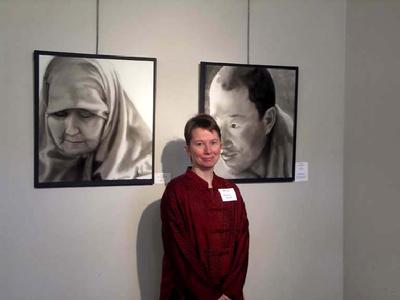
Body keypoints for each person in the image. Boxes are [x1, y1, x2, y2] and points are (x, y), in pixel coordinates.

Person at [159, 114, 249, 300]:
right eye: (200, 144)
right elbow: (179, 252)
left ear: (220, 146)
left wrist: (230, 290)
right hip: (189, 293)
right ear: (188, 149)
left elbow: (242, 244)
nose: (208, 150)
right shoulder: (176, 192)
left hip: (229, 294)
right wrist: (211, 295)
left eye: (213, 142)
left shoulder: (231, 190)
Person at [38, 56, 152, 182]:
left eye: (86, 114)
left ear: (112, 113)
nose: (71, 130)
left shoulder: (142, 171)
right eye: (60, 114)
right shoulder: (40, 164)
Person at [209, 66, 293, 179]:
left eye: (234, 125)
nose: (221, 142)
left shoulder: (292, 156)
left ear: (268, 121)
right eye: (214, 123)